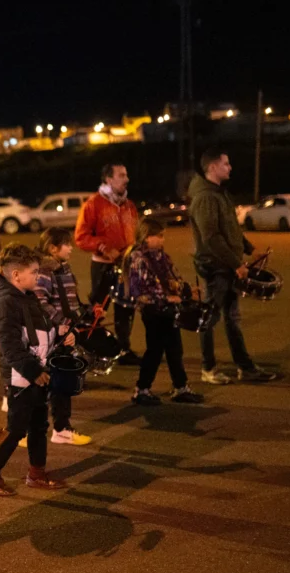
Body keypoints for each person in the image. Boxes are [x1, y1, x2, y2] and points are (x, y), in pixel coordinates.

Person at [0, 244, 74, 496]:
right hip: (21, 378)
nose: (38, 276)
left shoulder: (27, 296)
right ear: (16, 275)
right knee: (16, 430)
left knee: (38, 426)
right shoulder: (6, 302)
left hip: (36, 374)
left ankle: (36, 474)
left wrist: (61, 336)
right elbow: (10, 346)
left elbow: (38, 335)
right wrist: (33, 371)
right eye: (34, 272)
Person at [188, 149, 277, 384]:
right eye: (226, 164)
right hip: (216, 267)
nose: (230, 167)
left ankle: (244, 367)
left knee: (232, 318)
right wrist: (237, 263)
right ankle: (208, 369)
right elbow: (211, 237)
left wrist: (250, 248)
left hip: (225, 266)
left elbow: (231, 231)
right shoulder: (206, 197)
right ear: (213, 167)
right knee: (209, 318)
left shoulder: (218, 194)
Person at [124, 218, 205, 405]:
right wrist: (167, 298)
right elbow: (141, 291)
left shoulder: (161, 256)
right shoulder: (138, 258)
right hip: (152, 311)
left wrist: (187, 291)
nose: (162, 240)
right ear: (146, 237)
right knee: (155, 350)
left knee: (175, 348)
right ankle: (141, 390)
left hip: (168, 310)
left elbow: (173, 278)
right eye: (159, 236)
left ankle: (180, 387)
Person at [74, 163, 141, 365]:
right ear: (108, 180)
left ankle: (123, 349)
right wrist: (103, 247)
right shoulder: (93, 204)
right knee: (97, 310)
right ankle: (91, 349)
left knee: (126, 309)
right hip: (103, 266)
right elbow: (81, 237)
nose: (127, 179)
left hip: (127, 266)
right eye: (122, 175)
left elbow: (136, 234)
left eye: (126, 174)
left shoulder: (129, 205)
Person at [33, 227, 95, 445]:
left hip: (66, 332)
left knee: (62, 382)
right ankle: (32, 430)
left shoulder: (63, 269)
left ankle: (61, 428)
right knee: (49, 383)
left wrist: (86, 311)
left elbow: (70, 301)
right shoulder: (44, 272)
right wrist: (61, 326)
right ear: (52, 248)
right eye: (67, 244)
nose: (71, 248)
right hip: (53, 336)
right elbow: (40, 303)